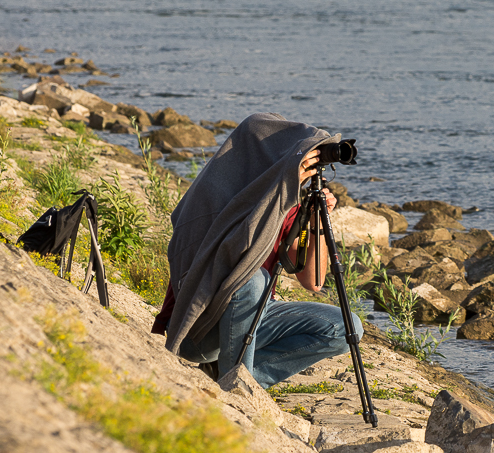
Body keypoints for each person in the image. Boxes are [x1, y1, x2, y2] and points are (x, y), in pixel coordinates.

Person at [151, 112, 361, 388]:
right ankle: (237, 388)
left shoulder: (286, 205)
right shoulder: (217, 194)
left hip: (253, 315)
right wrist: (281, 187)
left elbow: (313, 281)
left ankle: (233, 379)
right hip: (199, 326)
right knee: (252, 278)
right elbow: (227, 253)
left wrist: (316, 221)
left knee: (347, 327)